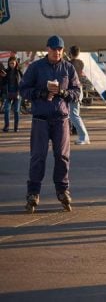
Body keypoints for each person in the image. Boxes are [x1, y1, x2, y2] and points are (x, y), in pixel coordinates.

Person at [19, 35, 81, 213]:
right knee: (38, 156)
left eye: (60, 49)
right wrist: (40, 93)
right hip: (40, 119)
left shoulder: (68, 68)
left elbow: (77, 92)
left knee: (62, 156)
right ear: (47, 49)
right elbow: (23, 89)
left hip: (61, 119)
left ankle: (62, 190)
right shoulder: (36, 67)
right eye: (54, 49)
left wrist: (63, 93)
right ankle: (33, 193)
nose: (57, 52)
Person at [66, 46, 91, 145]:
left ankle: (84, 137)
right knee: (75, 114)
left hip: (73, 90)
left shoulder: (69, 64)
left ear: (70, 53)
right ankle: (83, 136)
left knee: (74, 115)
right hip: (79, 89)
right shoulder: (81, 63)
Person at [2, 56, 23, 132]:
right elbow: (3, 83)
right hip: (8, 93)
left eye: (13, 63)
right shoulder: (6, 71)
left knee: (16, 111)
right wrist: (3, 77)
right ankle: (6, 126)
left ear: (16, 63)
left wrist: (19, 92)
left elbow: (23, 82)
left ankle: (16, 127)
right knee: (6, 110)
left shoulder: (19, 72)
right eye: (10, 63)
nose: (12, 65)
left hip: (17, 93)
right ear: (8, 63)